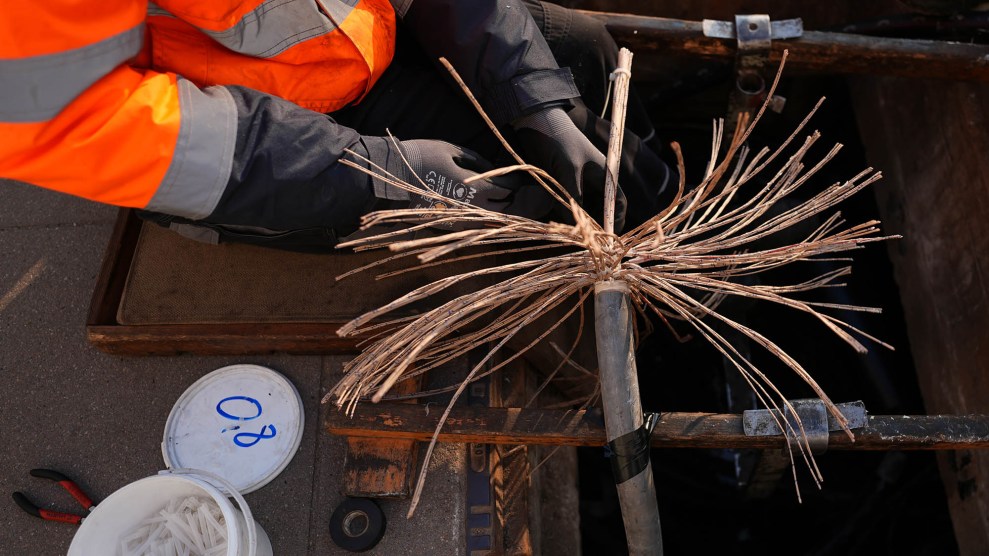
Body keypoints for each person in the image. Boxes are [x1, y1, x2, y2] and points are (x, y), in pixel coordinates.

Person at [1, 0, 674, 251]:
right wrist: (377, 172)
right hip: (246, 139)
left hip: (367, 28)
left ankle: (665, 213)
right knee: (516, 210)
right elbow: (81, 122)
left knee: (577, 56)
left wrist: (534, 102)